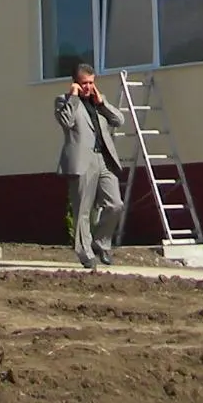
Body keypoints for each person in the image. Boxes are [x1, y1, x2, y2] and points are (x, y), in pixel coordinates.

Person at [54, 63, 128, 269]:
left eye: (91, 82)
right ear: (76, 83)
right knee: (83, 211)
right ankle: (85, 253)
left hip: (104, 159)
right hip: (82, 162)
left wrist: (101, 103)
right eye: (84, 83)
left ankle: (101, 243)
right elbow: (66, 121)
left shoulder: (98, 101)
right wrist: (73, 97)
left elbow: (119, 120)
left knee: (115, 204)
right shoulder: (64, 101)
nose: (88, 87)